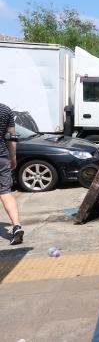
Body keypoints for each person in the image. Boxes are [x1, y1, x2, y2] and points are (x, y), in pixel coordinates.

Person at [0, 103, 22, 245]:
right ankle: (16, 226)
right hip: (1, 157)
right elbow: (11, 136)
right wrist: (13, 157)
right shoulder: (5, 109)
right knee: (5, 192)